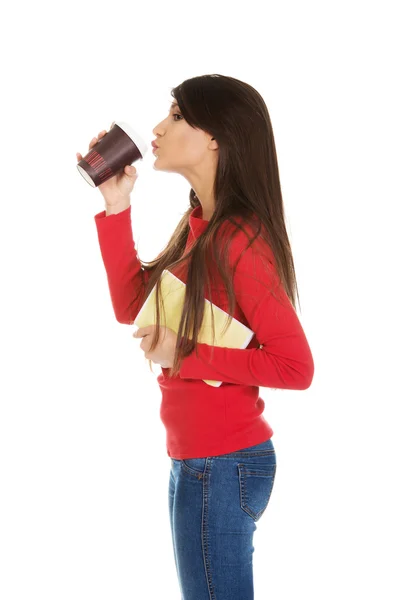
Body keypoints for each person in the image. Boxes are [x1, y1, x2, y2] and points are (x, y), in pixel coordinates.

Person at [77, 73, 314, 600]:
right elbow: (132, 307)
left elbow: (296, 368)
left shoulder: (239, 240)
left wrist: (182, 355)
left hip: (222, 465)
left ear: (215, 136)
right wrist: (117, 205)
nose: (159, 128)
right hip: (199, 461)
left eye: (178, 115)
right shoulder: (202, 224)